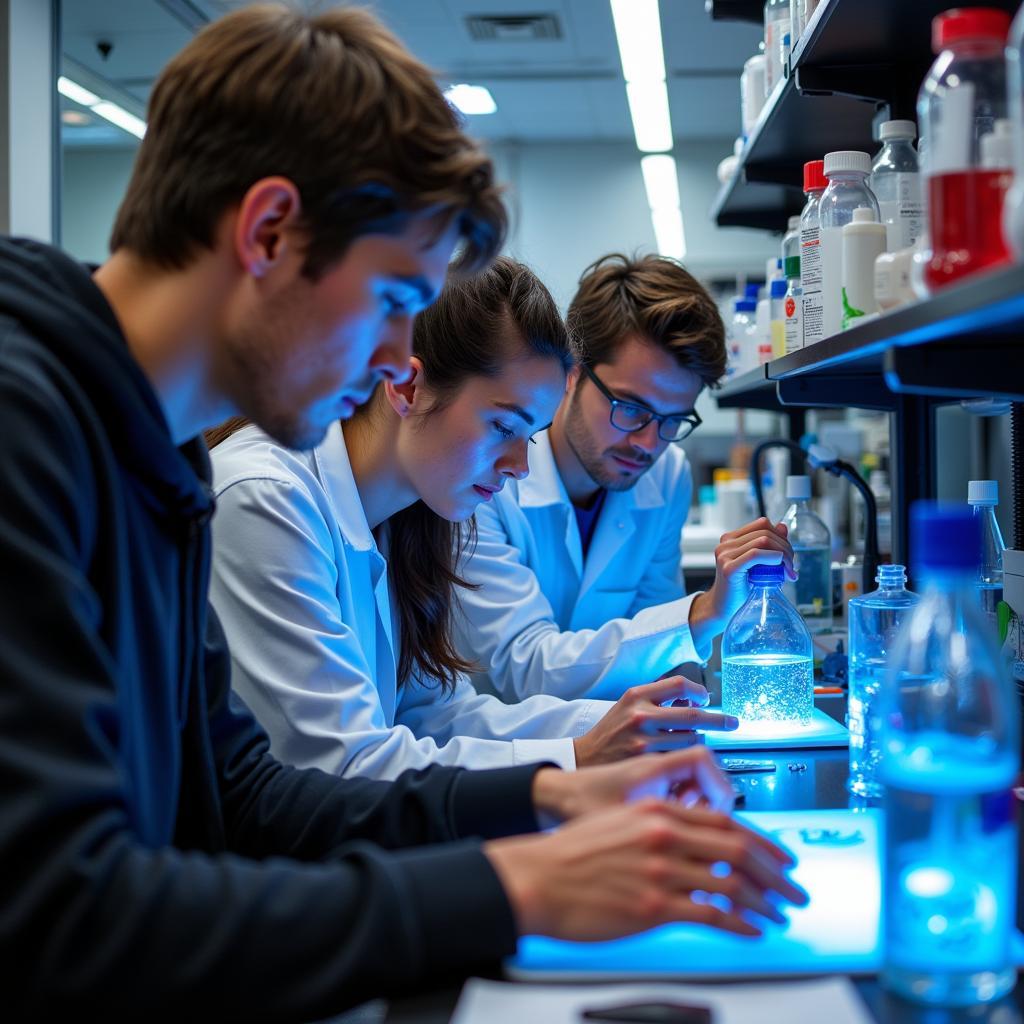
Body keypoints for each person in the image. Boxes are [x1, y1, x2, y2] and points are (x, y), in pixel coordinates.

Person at [0, 6, 806, 1019]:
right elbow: (59, 915)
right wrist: (515, 887)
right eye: (392, 299)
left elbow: (245, 788)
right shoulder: (29, 429)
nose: (396, 364)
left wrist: (546, 792)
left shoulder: (150, 461)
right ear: (268, 232)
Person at [207, 257, 736, 781]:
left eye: (529, 436)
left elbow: (438, 717)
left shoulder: (409, 515)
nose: (520, 466)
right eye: (503, 426)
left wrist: (622, 729)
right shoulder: (266, 499)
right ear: (407, 388)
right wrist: (576, 757)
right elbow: (339, 767)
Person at [454, 253, 796, 702]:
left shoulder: (667, 475)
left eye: (673, 420)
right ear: (571, 372)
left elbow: (662, 643)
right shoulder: (489, 475)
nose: (649, 444)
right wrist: (706, 612)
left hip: (609, 739)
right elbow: (526, 666)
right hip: (496, 750)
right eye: (631, 409)